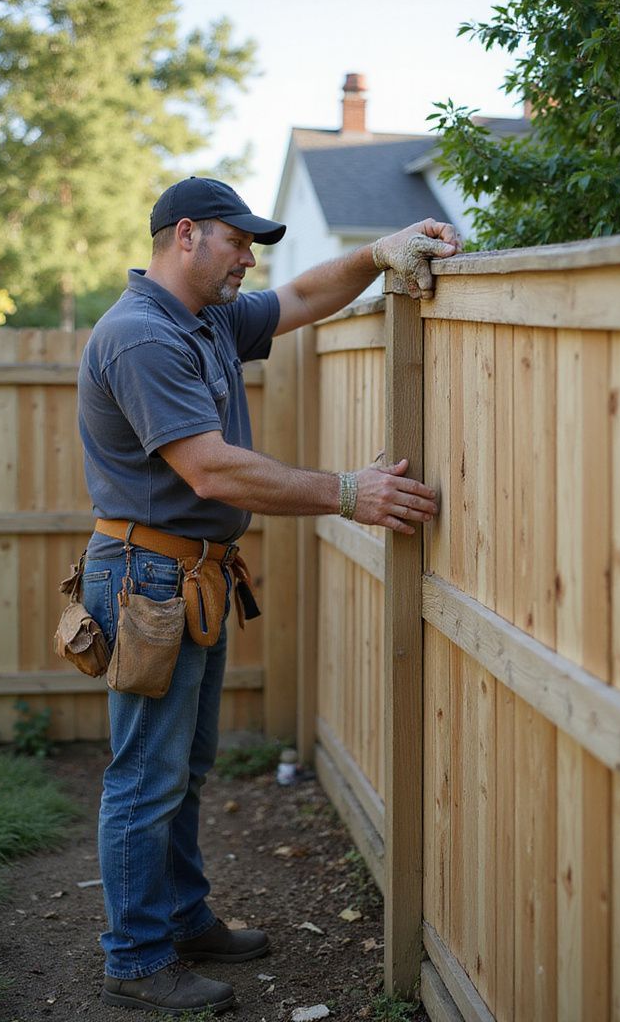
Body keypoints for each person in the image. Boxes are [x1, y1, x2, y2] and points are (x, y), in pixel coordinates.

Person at [77, 176, 459, 1015]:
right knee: (146, 776)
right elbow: (209, 466)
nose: (250, 256)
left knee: (185, 766)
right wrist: (346, 492)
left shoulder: (208, 316)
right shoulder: (142, 336)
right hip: (147, 577)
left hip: (189, 574)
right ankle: (136, 961)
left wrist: (375, 251)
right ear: (185, 236)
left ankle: (180, 919)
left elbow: (300, 298)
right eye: (236, 239)